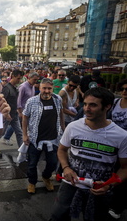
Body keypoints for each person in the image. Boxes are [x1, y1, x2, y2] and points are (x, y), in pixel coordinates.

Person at [50, 87, 127, 221]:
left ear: (107, 106)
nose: (86, 109)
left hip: (99, 189)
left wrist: (108, 185)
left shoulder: (121, 136)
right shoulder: (73, 127)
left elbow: (124, 168)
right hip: (70, 184)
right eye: (85, 104)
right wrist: (66, 168)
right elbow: (62, 149)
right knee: (58, 216)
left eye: (93, 105)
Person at [22, 78, 65, 194]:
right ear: (39, 88)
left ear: (52, 89)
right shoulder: (31, 101)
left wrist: (64, 132)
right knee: (32, 164)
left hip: (53, 139)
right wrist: (25, 134)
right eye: (44, 88)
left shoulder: (57, 100)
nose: (46, 91)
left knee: (52, 163)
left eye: (49, 88)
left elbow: (61, 116)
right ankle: (32, 182)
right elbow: (25, 118)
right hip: (35, 139)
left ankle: (46, 177)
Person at [107, 79, 127, 219]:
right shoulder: (115, 102)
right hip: (112, 144)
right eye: (123, 89)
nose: (125, 92)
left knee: (123, 177)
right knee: (111, 172)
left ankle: (117, 207)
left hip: (126, 146)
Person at [0, 69, 24, 148]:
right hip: (7, 115)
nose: (19, 80)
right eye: (18, 78)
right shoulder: (7, 88)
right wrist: (6, 114)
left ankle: (22, 151)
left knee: (19, 132)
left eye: (20, 78)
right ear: (13, 76)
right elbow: (2, 100)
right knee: (1, 132)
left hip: (14, 114)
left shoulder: (14, 88)